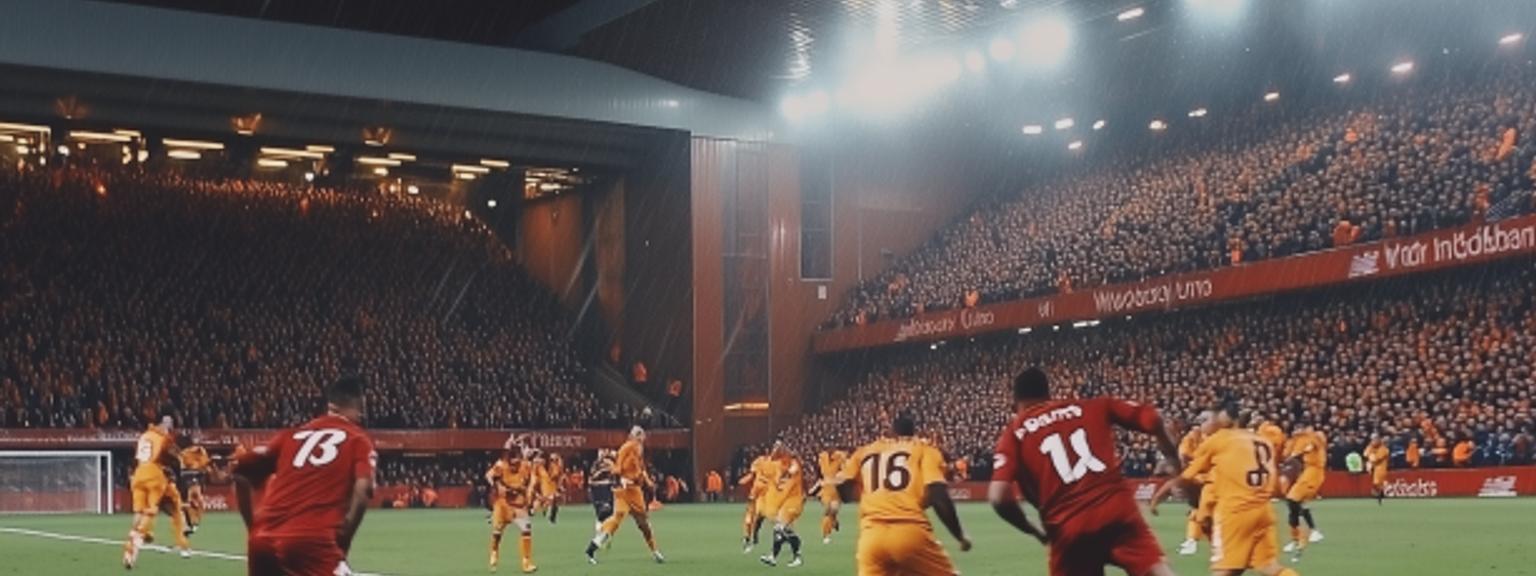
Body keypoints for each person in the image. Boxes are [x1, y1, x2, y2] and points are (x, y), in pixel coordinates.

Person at [988, 367, 1182, 576]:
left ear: (1014, 405)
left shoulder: (1015, 432)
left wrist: (1033, 529)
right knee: (1156, 569)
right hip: (1117, 509)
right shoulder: (1093, 406)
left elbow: (999, 497)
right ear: (1049, 396)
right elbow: (1153, 419)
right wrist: (1172, 457)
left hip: (1068, 527)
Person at [231, 376, 376, 576]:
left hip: (262, 541)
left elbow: (240, 474)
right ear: (360, 405)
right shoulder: (358, 439)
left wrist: (254, 527)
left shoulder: (291, 435)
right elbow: (364, 489)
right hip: (310, 543)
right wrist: (346, 534)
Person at [1150, 402, 1301, 576]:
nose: (1201, 424)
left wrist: (1160, 494)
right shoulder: (1261, 440)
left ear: (1223, 419)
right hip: (1264, 511)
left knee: (1223, 570)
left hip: (1235, 511)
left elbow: (1187, 476)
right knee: (1271, 568)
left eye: (1206, 419)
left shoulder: (1219, 440)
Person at [831, 412, 970, 576]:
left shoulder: (865, 451)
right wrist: (960, 536)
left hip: (871, 538)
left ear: (891, 431)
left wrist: (866, 494)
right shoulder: (925, 450)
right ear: (914, 432)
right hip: (910, 533)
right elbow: (939, 497)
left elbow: (841, 487)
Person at [585, 426, 664, 565]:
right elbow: (618, 468)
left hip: (630, 489)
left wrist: (647, 481)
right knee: (640, 523)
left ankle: (594, 543)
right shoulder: (627, 448)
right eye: (641, 436)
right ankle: (655, 551)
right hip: (628, 490)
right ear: (637, 436)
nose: (643, 439)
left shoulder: (638, 449)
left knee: (621, 520)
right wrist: (617, 473)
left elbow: (641, 467)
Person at [123, 414, 184, 568]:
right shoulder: (163, 437)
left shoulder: (144, 436)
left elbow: (140, 456)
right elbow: (169, 456)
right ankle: (138, 537)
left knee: (138, 512)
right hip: (153, 474)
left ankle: (132, 544)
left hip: (139, 473)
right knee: (151, 510)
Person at [486, 442, 538, 573]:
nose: (515, 465)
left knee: (526, 529)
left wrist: (531, 495)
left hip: (519, 505)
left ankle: (526, 563)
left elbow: (532, 480)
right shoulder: (500, 465)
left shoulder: (526, 466)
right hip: (503, 504)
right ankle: (494, 552)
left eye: (517, 461)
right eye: (512, 462)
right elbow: (488, 476)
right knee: (497, 532)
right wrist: (497, 486)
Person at [758, 441, 808, 567]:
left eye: (777, 448)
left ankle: (790, 556)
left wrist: (782, 449)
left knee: (780, 528)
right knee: (782, 530)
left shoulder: (794, 464)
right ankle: (782, 556)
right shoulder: (779, 465)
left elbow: (790, 472)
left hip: (794, 502)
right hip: (785, 503)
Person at [1283, 423, 1327, 559]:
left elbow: (1315, 443)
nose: (1297, 431)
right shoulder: (1300, 441)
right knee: (1294, 504)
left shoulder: (1315, 437)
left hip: (1314, 473)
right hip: (1307, 472)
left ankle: (1311, 532)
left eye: (1301, 428)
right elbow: (1290, 455)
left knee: (1292, 500)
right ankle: (1298, 539)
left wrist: (1295, 454)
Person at [1176, 412, 1214, 557]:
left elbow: (1185, 456)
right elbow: (1183, 456)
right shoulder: (1191, 438)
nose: (1197, 428)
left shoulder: (1210, 439)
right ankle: (1192, 541)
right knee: (1198, 510)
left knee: (1202, 512)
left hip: (1209, 479)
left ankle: (1193, 541)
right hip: (1202, 478)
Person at [739, 449, 773, 553]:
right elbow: (752, 474)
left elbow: (752, 474)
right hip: (759, 494)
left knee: (756, 516)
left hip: (763, 494)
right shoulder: (763, 461)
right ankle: (749, 538)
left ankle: (750, 538)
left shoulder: (771, 463)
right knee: (752, 518)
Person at [177, 436, 213, 535]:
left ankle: (190, 524)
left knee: (191, 500)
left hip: (189, 477)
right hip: (191, 476)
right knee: (195, 498)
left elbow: (206, 464)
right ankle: (191, 522)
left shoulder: (185, 454)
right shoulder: (192, 452)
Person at [814, 449, 848, 544]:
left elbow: (845, 473)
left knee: (832, 512)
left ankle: (834, 521)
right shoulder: (821, 457)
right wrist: (817, 485)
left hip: (836, 490)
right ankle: (826, 535)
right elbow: (819, 473)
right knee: (828, 512)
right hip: (825, 491)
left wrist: (839, 478)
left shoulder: (840, 457)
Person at [587, 449, 617, 533]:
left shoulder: (610, 462)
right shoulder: (595, 465)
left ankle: (605, 527)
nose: (603, 453)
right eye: (601, 452)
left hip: (607, 488)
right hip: (597, 489)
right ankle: (600, 525)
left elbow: (615, 472)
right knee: (601, 509)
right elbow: (592, 477)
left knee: (609, 509)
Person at [1364, 435, 1390, 505]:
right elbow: (1365, 454)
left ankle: (1381, 496)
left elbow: (1376, 459)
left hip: (1380, 468)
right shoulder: (1370, 447)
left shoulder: (1383, 449)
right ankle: (1379, 496)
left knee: (1378, 483)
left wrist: (1370, 457)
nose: (1374, 442)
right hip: (1373, 468)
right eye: (1373, 440)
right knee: (1375, 484)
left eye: (1375, 440)